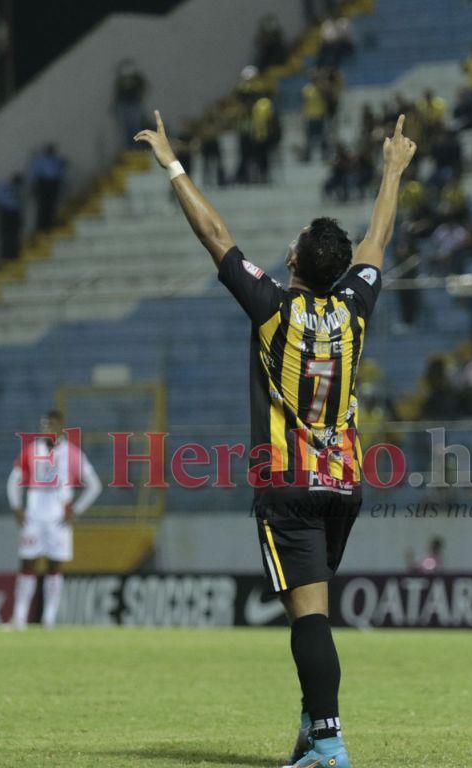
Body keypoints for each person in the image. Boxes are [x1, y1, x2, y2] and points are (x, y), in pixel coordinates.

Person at [134, 109, 416, 768]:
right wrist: (393, 171)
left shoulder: (272, 308)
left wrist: (172, 164)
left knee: (309, 617)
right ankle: (311, 732)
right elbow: (378, 239)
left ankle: (330, 743)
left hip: (288, 483)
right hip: (344, 484)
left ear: (293, 260)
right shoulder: (355, 307)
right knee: (312, 608)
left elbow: (214, 234)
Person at [7, 409, 102, 630]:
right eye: (44, 425)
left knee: (54, 567)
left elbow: (95, 485)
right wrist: (17, 507)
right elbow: (13, 479)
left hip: (58, 520)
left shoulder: (72, 453)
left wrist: (76, 510)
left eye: (51, 425)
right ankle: (19, 619)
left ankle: (49, 620)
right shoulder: (32, 450)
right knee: (27, 564)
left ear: (61, 427)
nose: (47, 429)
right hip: (33, 517)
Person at [29, 143, 67, 232]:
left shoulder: (57, 160)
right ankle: (41, 225)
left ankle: (51, 223)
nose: (50, 151)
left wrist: (62, 180)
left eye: (52, 150)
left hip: (54, 183)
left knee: (52, 204)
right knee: (43, 204)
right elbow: (34, 173)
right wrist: (34, 185)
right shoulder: (40, 160)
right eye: (49, 150)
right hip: (43, 183)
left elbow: (61, 172)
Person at [113, 59, 147, 146]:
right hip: (124, 105)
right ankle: (129, 146)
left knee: (135, 126)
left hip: (135, 105)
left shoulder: (137, 78)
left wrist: (141, 97)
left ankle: (136, 146)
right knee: (126, 127)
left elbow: (144, 88)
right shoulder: (120, 80)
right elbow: (117, 93)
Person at [0, 173, 24, 261]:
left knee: (12, 234)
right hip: (8, 212)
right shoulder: (6, 188)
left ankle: (12, 253)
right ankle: (8, 254)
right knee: (8, 234)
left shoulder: (10, 188)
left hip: (11, 212)